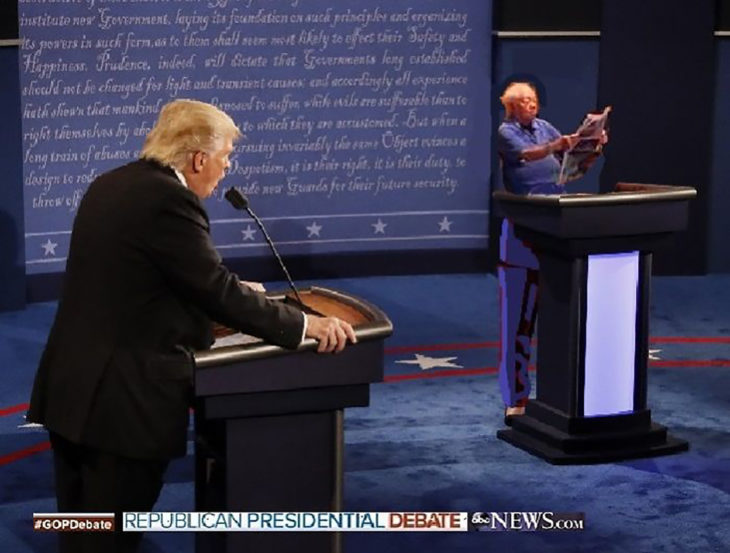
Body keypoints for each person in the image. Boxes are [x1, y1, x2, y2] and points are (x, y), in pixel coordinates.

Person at [26, 99, 357, 553]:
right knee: (111, 540)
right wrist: (305, 326)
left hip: (73, 390)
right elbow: (215, 290)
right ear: (199, 158)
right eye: (225, 158)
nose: (225, 169)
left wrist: (225, 287)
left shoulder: (114, 183)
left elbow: (138, 275)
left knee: (84, 532)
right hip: (122, 402)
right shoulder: (169, 200)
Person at [496, 82, 604, 424]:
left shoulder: (545, 128)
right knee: (519, 324)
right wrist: (559, 144)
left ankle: (562, 399)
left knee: (560, 322)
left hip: (559, 232)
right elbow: (530, 155)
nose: (531, 105)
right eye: (524, 101)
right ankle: (516, 399)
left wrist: (589, 149)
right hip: (522, 234)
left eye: (534, 100)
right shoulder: (506, 132)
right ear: (510, 106)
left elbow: (568, 165)